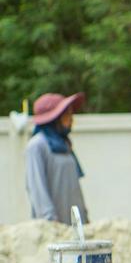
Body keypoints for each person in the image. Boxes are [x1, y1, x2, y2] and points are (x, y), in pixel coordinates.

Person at [24, 91, 88, 224]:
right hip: (53, 229)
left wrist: (84, 218)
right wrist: (50, 221)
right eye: (67, 114)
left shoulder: (65, 145)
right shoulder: (37, 146)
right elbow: (37, 187)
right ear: (55, 118)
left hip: (74, 228)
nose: (71, 119)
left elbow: (73, 187)